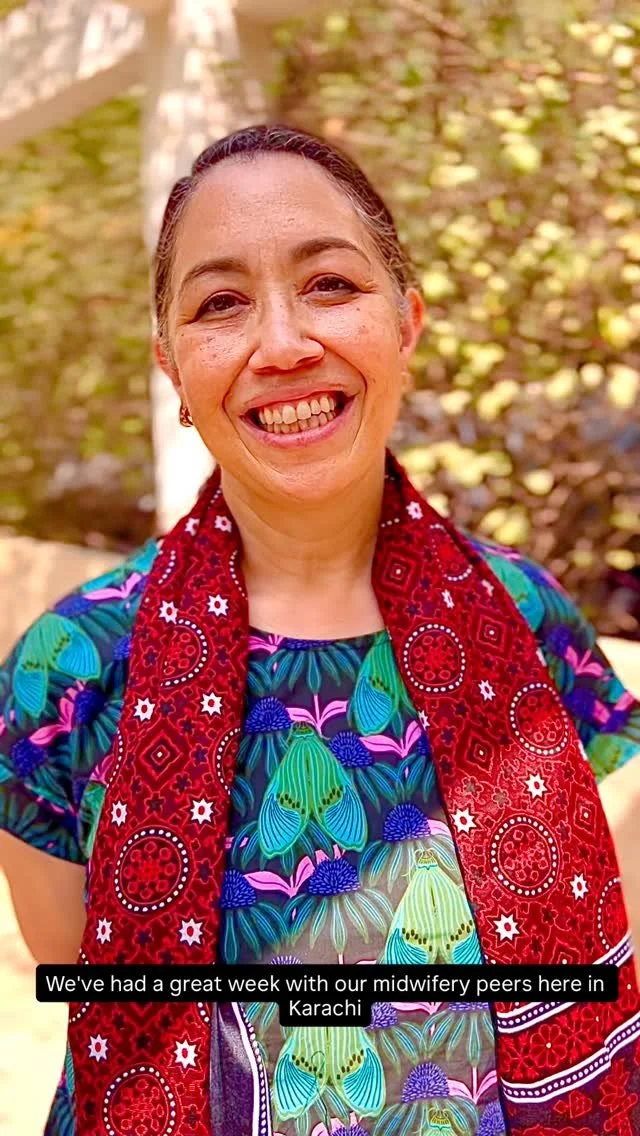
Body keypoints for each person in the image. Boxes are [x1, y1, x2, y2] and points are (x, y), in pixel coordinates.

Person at [1, 123, 639, 1136]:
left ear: (407, 323)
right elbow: (81, 979)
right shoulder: (68, 671)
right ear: (172, 365)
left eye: (331, 285)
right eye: (220, 303)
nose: (284, 343)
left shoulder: (529, 622)